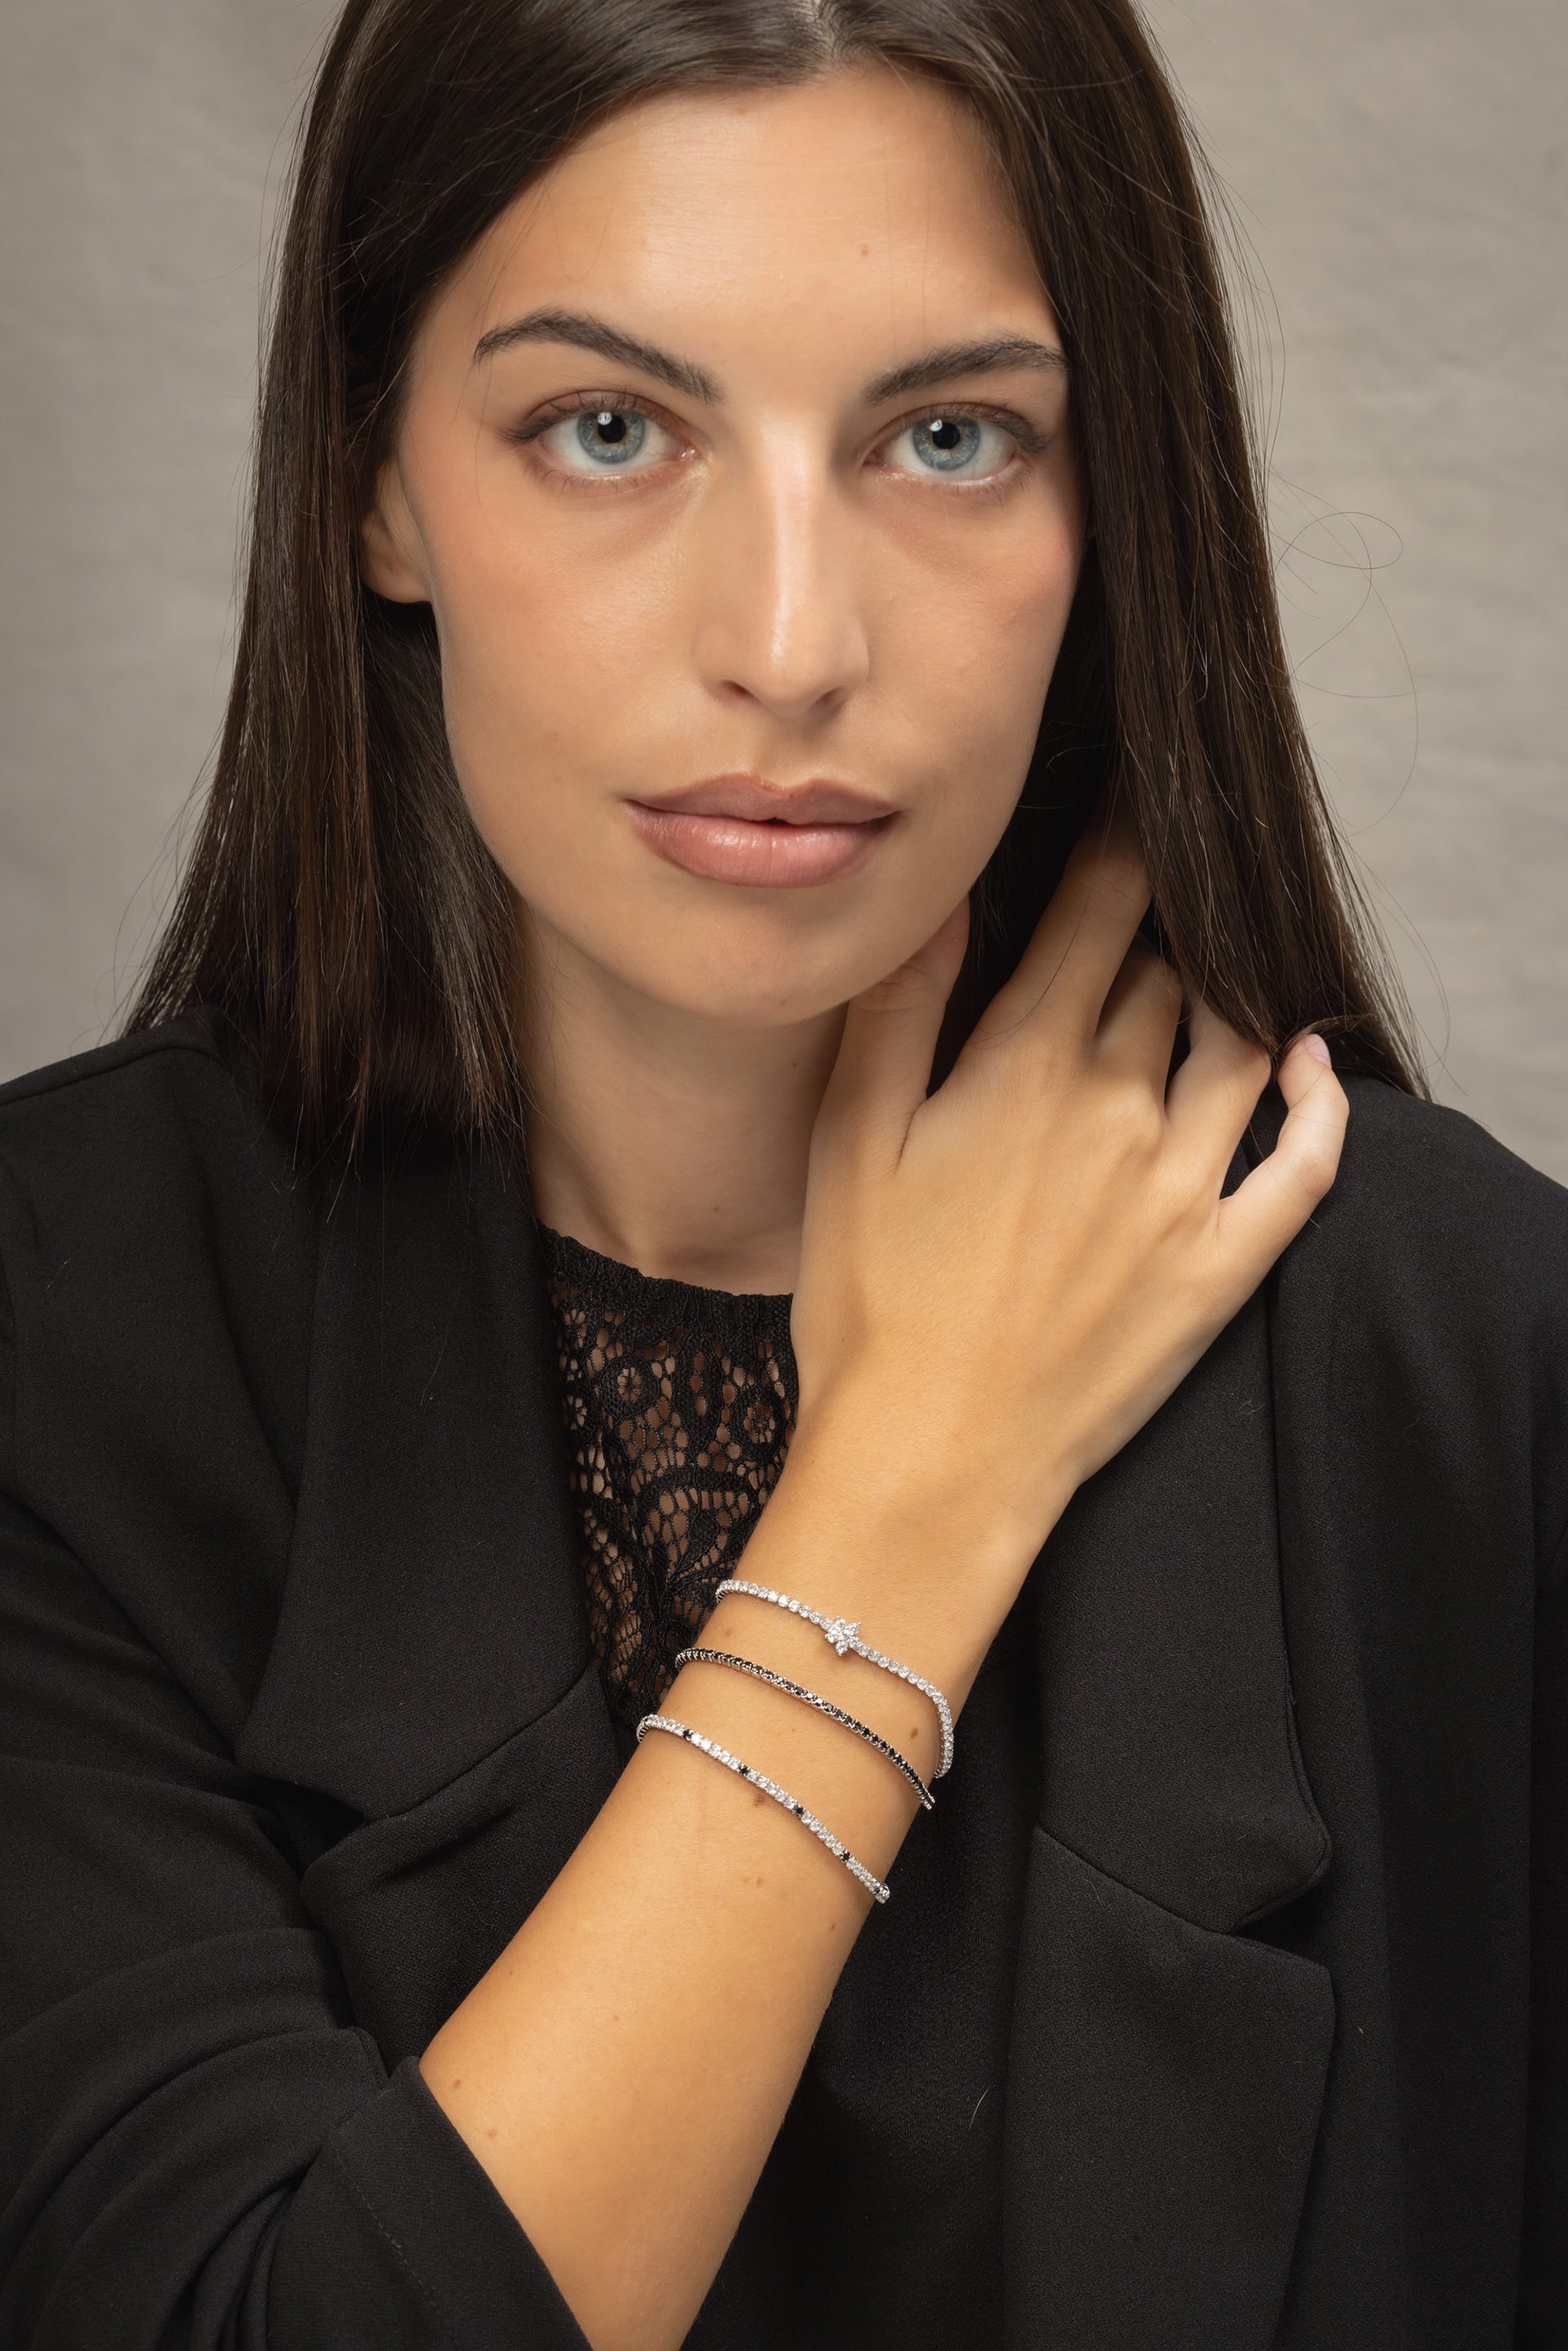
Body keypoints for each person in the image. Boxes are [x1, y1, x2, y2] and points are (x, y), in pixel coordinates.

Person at [1, 0, 1562, 2344]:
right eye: (608, 429)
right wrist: (914, 1480)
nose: (790, 644)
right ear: (375, 477)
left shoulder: (1467, 1347)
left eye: (949, 437)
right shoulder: (68, 1324)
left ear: (1107, 505)